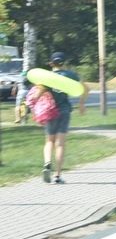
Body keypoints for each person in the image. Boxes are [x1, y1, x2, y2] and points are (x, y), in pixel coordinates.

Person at [36, 52, 88, 183]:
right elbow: (86, 89)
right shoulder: (71, 75)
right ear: (64, 63)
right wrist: (81, 104)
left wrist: (35, 106)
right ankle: (57, 176)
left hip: (50, 111)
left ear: (51, 63)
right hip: (64, 111)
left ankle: (47, 163)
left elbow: (38, 94)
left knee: (49, 141)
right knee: (60, 144)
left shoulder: (47, 77)